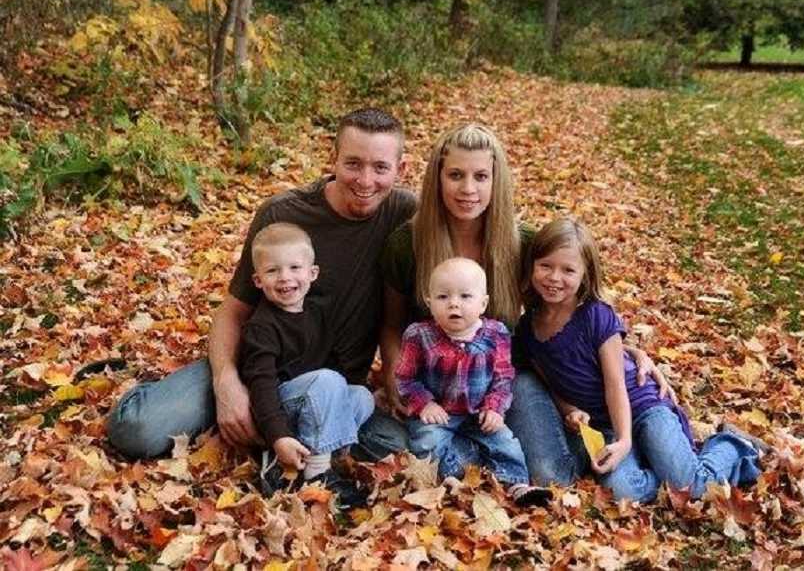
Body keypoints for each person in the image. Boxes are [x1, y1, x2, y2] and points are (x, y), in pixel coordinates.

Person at [107, 108, 420, 462]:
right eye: (352, 164)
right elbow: (233, 310)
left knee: (400, 448)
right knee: (137, 431)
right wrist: (227, 385)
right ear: (333, 159)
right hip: (259, 367)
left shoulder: (405, 213)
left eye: (380, 167)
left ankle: (282, 441)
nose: (365, 180)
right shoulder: (285, 213)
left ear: (401, 169)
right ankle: (157, 389)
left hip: (333, 388)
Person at [379, 123, 670, 486]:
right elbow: (391, 325)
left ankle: (608, 443)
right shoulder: (407, 244)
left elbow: (578, 304)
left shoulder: (523, 243)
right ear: (437, 178)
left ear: (496, 181)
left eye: (481, 176)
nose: (468, 188)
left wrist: (627, 351)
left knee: (549, 476)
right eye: (455, 175)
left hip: (506, 379)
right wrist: (394, 378)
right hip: (436, 388)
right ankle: (475, 456)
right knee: (387, 443)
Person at [517, 217, 764, 502]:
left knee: (693, 487)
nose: (554, 278)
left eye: (568, 270)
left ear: (585, 274)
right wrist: (570, 409)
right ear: (532, 265)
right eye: (545, 266)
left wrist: (624, 441)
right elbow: (549, 383)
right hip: (604, 425)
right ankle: (661, 465)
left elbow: (615, 384)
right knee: (621, 490)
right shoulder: (528, 329)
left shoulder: (596, 316)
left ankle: (732, 445)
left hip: (644, 407)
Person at [396, 258, 552, 506]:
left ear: (483, 303)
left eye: (465, 296)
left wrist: (494, 408)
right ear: (429, 302)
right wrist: (425, 404)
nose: (454, 303)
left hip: (478, 413)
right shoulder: (418, 335)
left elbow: (503, 377)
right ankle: (450, 481)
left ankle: (515, 483)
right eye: (443, 297)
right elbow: (405, 378)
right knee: (427, 442)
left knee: (505, 441)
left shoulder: (495, 333)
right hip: (440, 413)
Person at [240, 222, 371, 505]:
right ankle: (316, 475)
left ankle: (308, 460)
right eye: (273, 270)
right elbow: (261, 385)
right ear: (258, 280)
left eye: (294, 268)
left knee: (361, 396)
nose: (285, 278)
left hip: (317, 400)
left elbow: (334, 362)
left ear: (312, 274)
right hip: (283, 406)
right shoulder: (261, 327)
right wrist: (277, 435)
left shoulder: (318, 312)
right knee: (327, 380)